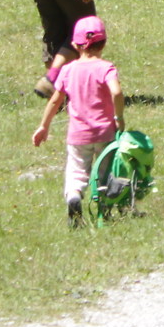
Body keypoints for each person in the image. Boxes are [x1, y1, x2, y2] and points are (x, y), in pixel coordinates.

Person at [32, 14, 124, 226]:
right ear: (104, 43)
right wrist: (119, 117)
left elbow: (55, 100)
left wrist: (43, 126)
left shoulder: (67, 70)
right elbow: (116, 93)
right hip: (105, 132)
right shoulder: (106, 67)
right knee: (104, 170)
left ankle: (74, 196)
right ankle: (103, 207)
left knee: (77, 170)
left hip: (78, 134)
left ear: (74, 44)